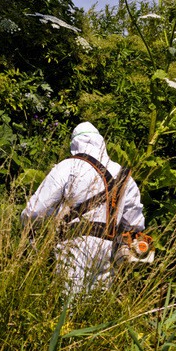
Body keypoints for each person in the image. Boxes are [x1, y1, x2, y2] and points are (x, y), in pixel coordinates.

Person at [21, 122, 146, 296]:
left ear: (75, 144)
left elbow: (35, 211)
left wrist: (30, 233)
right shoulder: (124, 175)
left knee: (68, 305)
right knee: (96, 307)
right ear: (101, 143)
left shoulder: (69, 166)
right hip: (109, 250)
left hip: (73, 245)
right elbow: (135, 225)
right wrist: (128, 260)